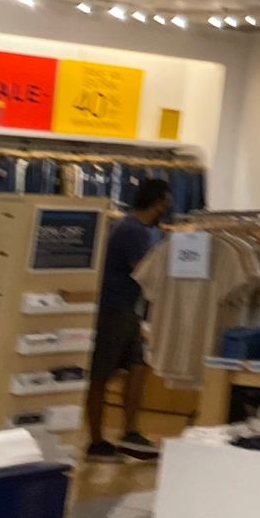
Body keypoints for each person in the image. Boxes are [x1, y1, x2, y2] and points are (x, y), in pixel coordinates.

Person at [84, 178, 171, 462]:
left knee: (137, 367)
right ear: (158, 202)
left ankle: (130, 432)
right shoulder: (132, 231)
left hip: (126, 311)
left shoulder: (133, 229)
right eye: (165, 203)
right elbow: (144, 271)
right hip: (113, 310)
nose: (167, 209)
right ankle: (96, 441)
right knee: (100, 375)